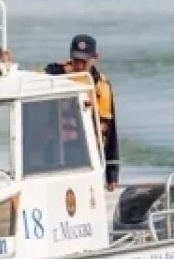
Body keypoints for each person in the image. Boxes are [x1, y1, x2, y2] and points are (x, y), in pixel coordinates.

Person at [45, 34, 119, 190]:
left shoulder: (102, 86)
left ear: (95, 58)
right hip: (56, 154)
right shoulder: (54, 74)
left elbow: (110, 132)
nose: (79, 65)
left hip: (88, 156)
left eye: (84, 61)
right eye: (76, 59)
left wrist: (112, 173)